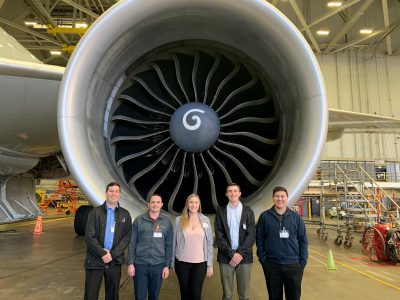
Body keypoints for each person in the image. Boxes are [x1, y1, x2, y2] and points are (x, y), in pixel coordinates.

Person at [256, 186, 308, 300]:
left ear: (287, 198)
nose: (280, 199)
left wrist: (302, 262)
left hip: (293, 265)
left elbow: (303, 240)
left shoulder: (296, 217)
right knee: (274, 297)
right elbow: (259, 238)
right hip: (272, 265)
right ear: (273, 198)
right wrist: (263, 259)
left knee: (294, 297)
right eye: (277, 196)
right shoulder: (264, 217)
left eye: (282, 196)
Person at [84, 182, 132, 300]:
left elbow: (126, 237)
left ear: (119, 194)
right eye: (111, 191)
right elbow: (89, 236)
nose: (113, 194)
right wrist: (103, 253)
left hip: (114, 262)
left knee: (112, 295)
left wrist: (112, 254)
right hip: (95, 260)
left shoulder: (125, 214)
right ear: (106, 193)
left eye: (116, 191)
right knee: (91, 294)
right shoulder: (94, 213)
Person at [127, 194, 173, 300]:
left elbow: (169, 245)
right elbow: (132, 243)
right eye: (152, 202)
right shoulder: (139, 220)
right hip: (140, 265)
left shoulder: (167, 222)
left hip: (158, 265)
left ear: (161, 204)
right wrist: (130, 263)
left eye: (158, 202)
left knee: (154, 296)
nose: (155, 204)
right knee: (139, 296)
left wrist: (167, 265)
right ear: (148, 204)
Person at [215, 183, 256, 300]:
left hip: (244, 258)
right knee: (227, 295)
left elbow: (251, 234)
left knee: (244, 295)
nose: (233, 193)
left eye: (235, 191)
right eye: (230, 191)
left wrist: (239, 254)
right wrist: (231, 254)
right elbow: (219, 235)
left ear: (240, 193)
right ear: (226, 194)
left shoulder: (248, 211)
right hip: (225, 256)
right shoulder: (221, 211)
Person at [173, 194, 214, 300]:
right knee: (184, 293)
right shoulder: (179, 220)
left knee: (196, 293)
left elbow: (209, 243)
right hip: (182, 262)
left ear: (199, 204)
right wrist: (171, 262)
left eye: (196, 202)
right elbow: (174, 242)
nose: (193, 205)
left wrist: (210, 264)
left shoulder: (206, 220)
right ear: (187, 204)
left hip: (200, 263)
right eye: (191, 202)